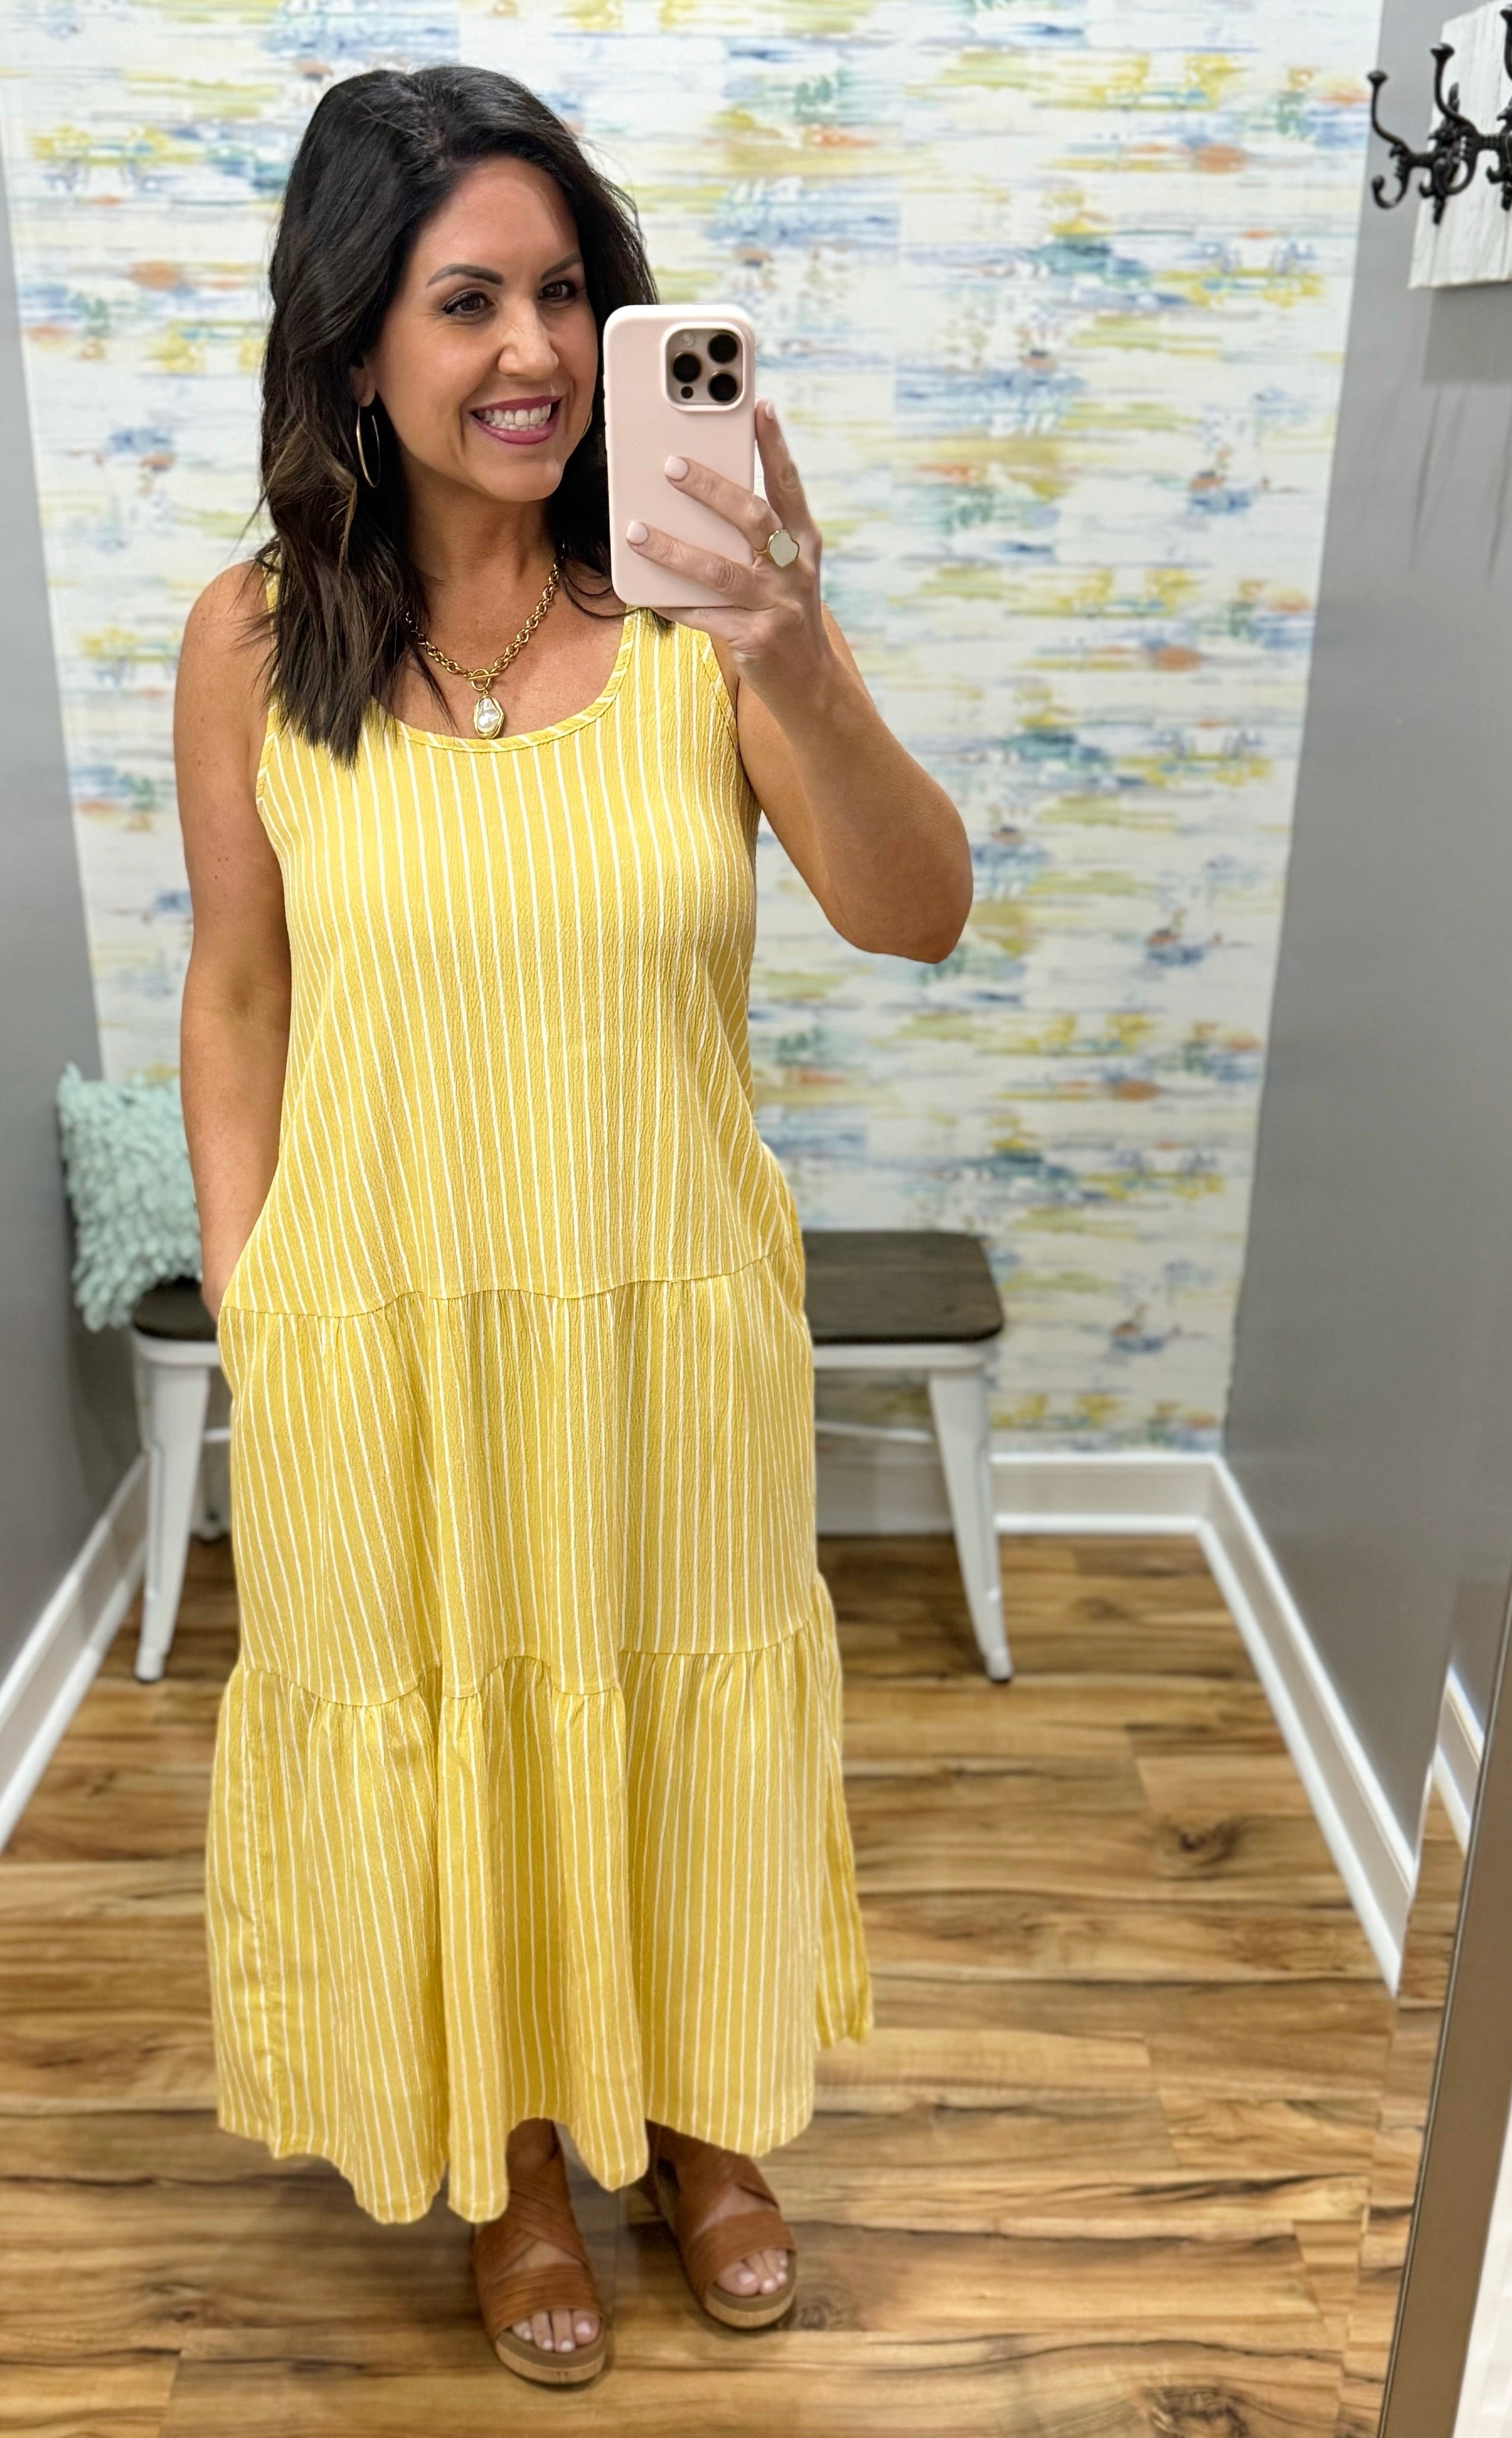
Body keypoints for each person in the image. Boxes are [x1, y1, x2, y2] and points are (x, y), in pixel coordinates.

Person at [172, 61, 971, 2388]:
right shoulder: (249, 644)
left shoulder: (697, 628)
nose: (531, 349)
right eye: (467, 300)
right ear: (354, 349)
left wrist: (793, 646)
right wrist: (258, 1311)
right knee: (458, 1737)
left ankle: (705, 2129)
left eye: (566, 294)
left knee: (671, 1711)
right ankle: (517, 2156)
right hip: (383, 1335)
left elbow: (912, 916)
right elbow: (233, 997)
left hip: (663, 1322)